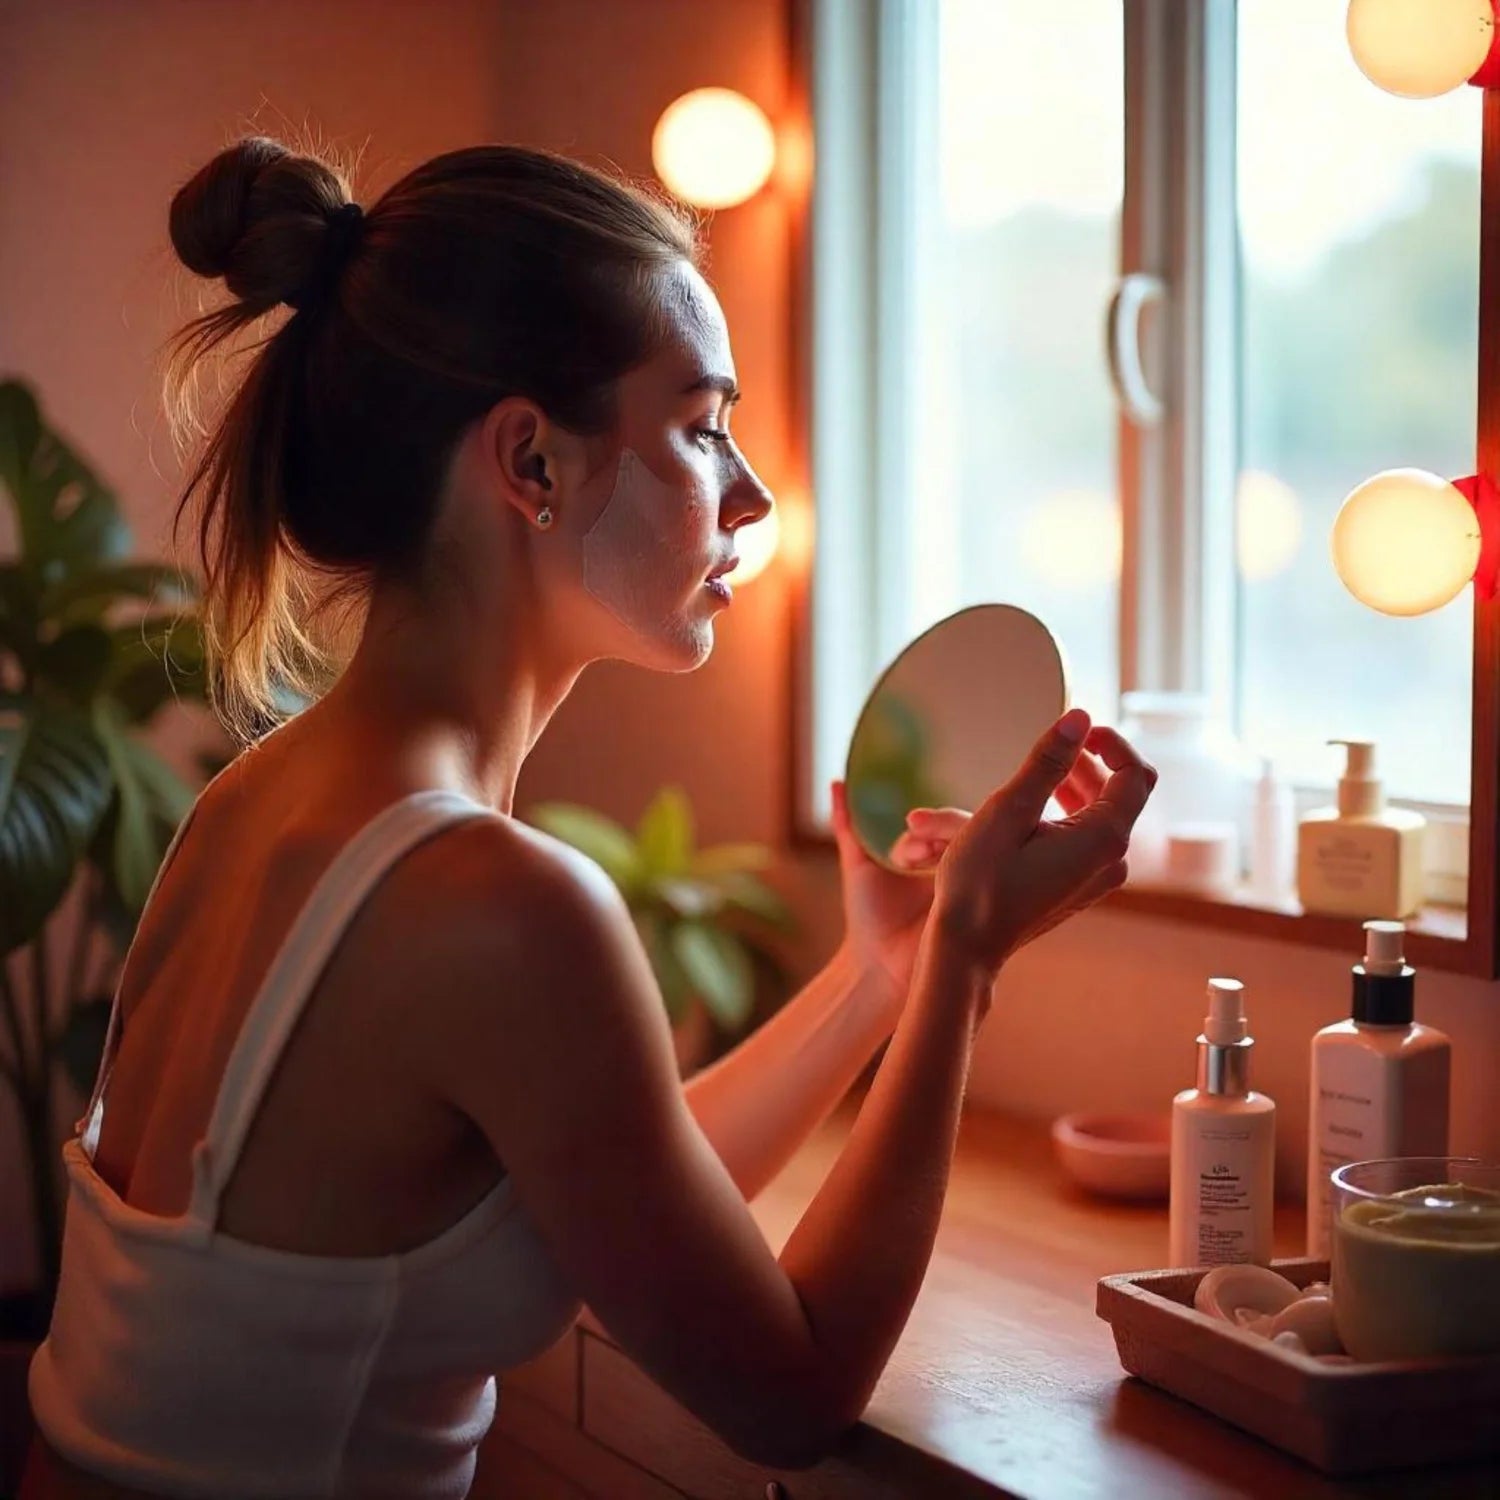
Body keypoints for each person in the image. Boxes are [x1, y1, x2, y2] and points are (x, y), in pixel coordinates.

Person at [21, 137, 1155, 1499]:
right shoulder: (496, 902)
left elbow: (621, 1189)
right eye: (700, 422)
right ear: (531, 462)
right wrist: (964, 965)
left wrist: (881, 977)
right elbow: (790, 1394)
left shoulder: (253, 806)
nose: (751, 493)